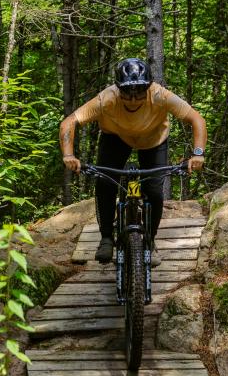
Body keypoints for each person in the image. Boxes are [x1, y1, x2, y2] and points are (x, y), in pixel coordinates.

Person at [59, 58, 207, 263]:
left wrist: (198, 153)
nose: (133, 98)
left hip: (154, 139)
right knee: (105, 182)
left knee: (154, 190)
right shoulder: (107, 98)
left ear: (148, 87)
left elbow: (196, 119)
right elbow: (69, 122)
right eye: (128, 92)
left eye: (139, 91)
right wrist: (68, 155)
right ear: (119, 89)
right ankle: (106, 239)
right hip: (116, 137)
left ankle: (151, 241)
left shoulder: (160, 95)